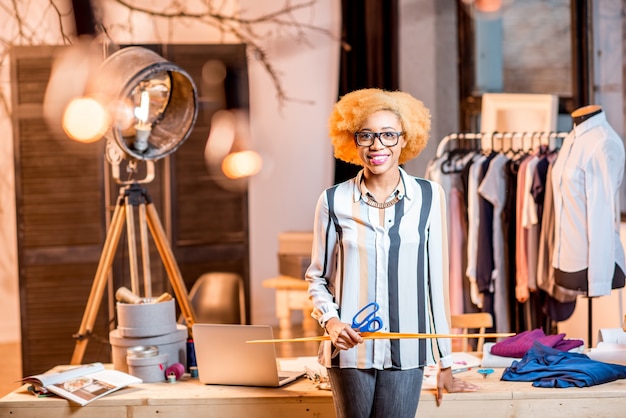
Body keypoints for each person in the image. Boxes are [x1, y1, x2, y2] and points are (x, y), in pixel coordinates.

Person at [305, 88, 478, 418]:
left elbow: (435, 285)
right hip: (349, 354)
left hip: (409, 350)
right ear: (352, 141)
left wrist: (444, 362)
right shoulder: (332, 200)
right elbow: (317, 277)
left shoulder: (430, 196)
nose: (376, 145)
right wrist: (331, 322)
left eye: (387, 135)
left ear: (404, 139)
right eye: (366, 135)